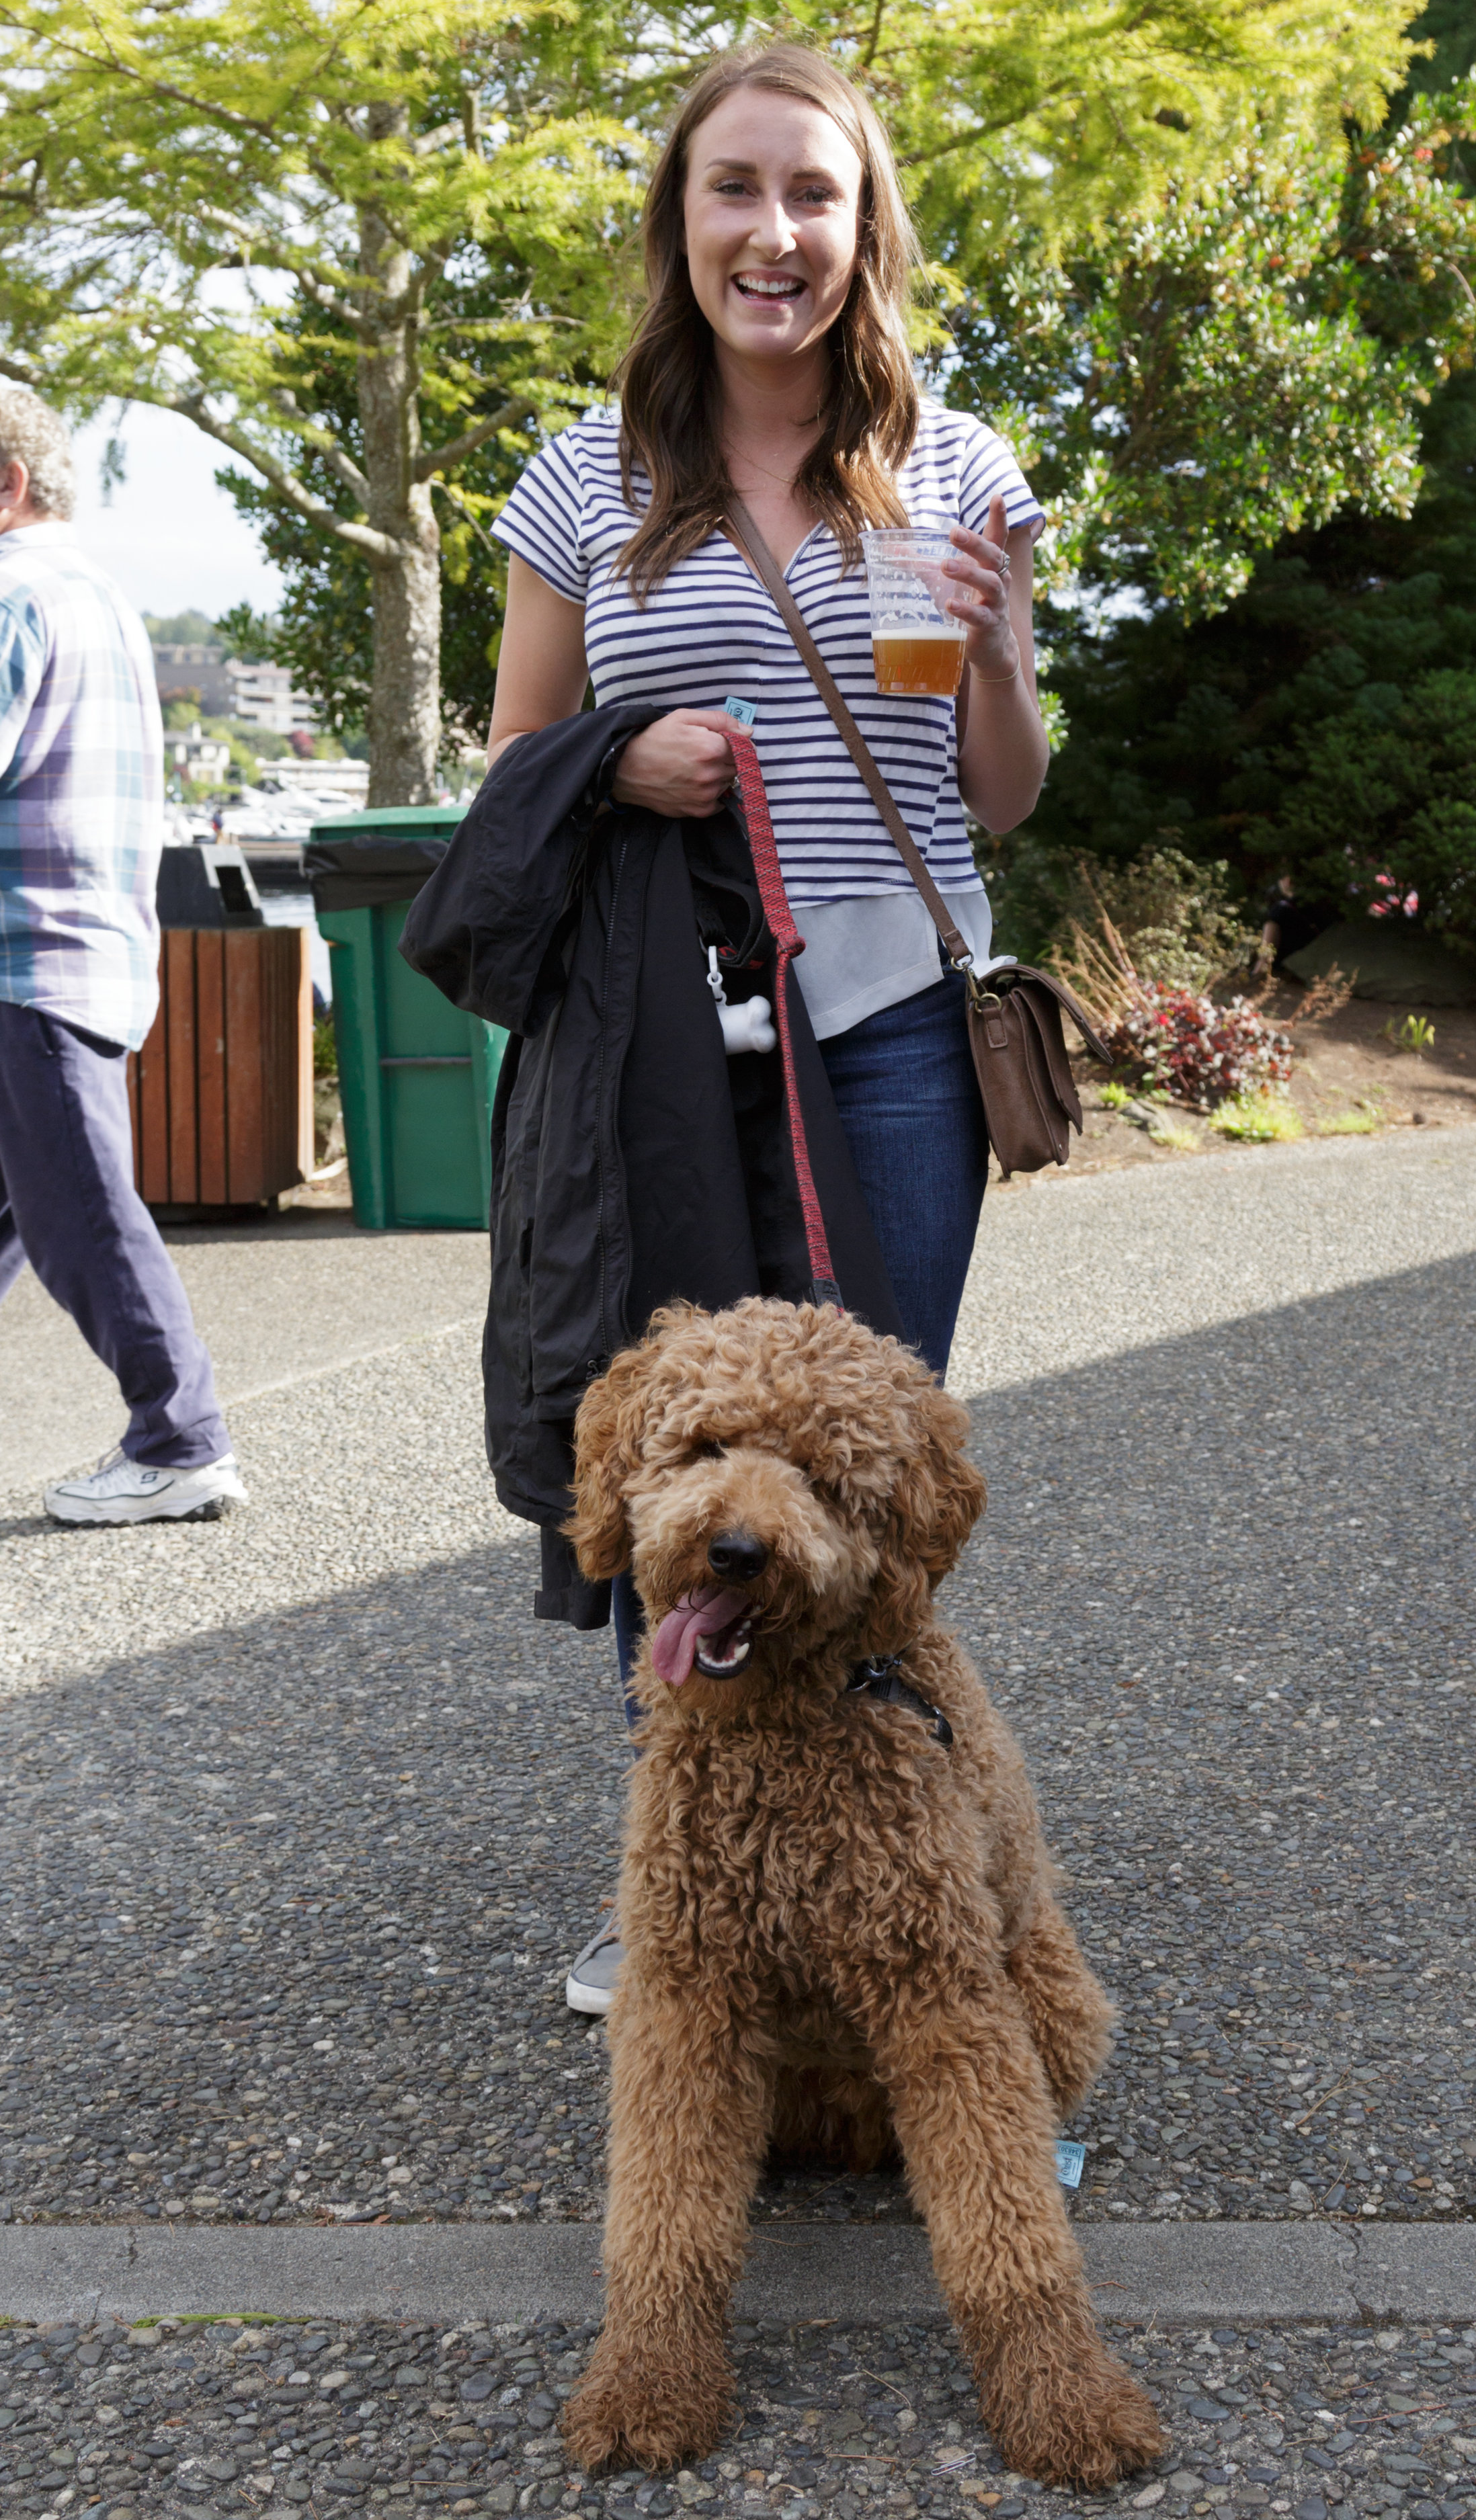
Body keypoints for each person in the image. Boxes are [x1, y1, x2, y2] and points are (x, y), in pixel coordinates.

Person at [481, 44, 1049, 2008]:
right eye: (735, 190)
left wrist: (987, 651)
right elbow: (513, 765)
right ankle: (689, 1889)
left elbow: (1001, 792)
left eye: (814, 196)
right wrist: (617, 760)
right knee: (681, 1459)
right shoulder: (581, 480)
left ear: (865, 229)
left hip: (885, 1028)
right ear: (680, 221)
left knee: (852, 1477)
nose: (774, 234)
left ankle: (899, 1858)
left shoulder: (961, 468)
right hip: (664, 1048)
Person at [0, 384, 246, 1525]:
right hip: (88, 950)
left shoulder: (9, 594)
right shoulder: (97, 593)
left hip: (26, 959)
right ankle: (176, 1430)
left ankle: (180, 1433)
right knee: (37, 1203)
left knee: (80, 1213)